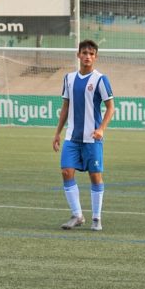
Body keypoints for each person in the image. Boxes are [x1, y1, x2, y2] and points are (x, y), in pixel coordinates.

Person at [52, 39, 115, 231]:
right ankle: (77, 215)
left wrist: (102, 128)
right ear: (78, 55)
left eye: (91, 53)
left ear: (95, 57)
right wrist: (57, 133)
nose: (87, 56)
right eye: (84, 53)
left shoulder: (100, 79)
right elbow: (65, 107)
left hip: (92, 138)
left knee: (95, 177)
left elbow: (110, 107)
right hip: (72, 137)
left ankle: (96, 218)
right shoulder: (68, 78)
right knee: (66, 172)